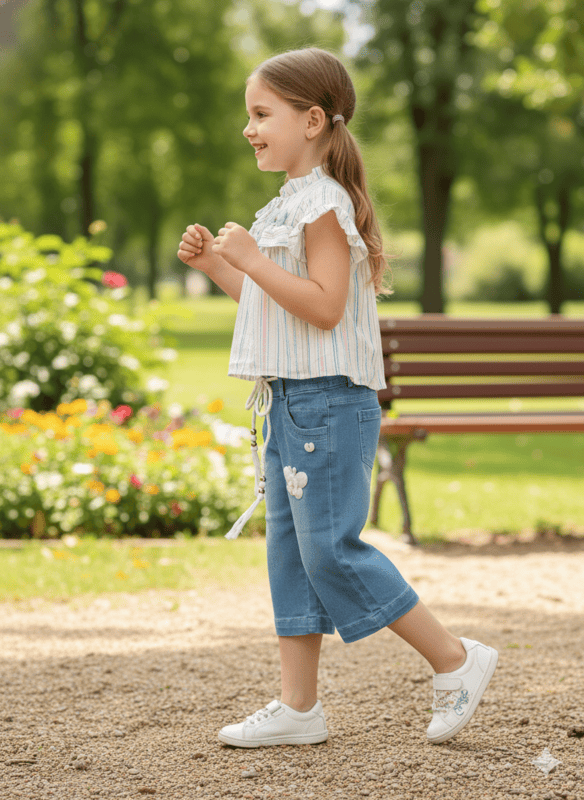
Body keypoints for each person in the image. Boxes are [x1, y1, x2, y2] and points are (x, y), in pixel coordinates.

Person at [177, 47, 498, 748]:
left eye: (261, 114)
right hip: (291, 403)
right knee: (292, 555)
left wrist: (250, 257)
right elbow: (272, 306)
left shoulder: (323, 205)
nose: (248, 129)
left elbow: (324, 307)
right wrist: (221, 267)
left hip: (327, 404)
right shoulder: (286, 204)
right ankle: (299, 707)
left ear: (313, 120)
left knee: (332, 552)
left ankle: (454, 658)